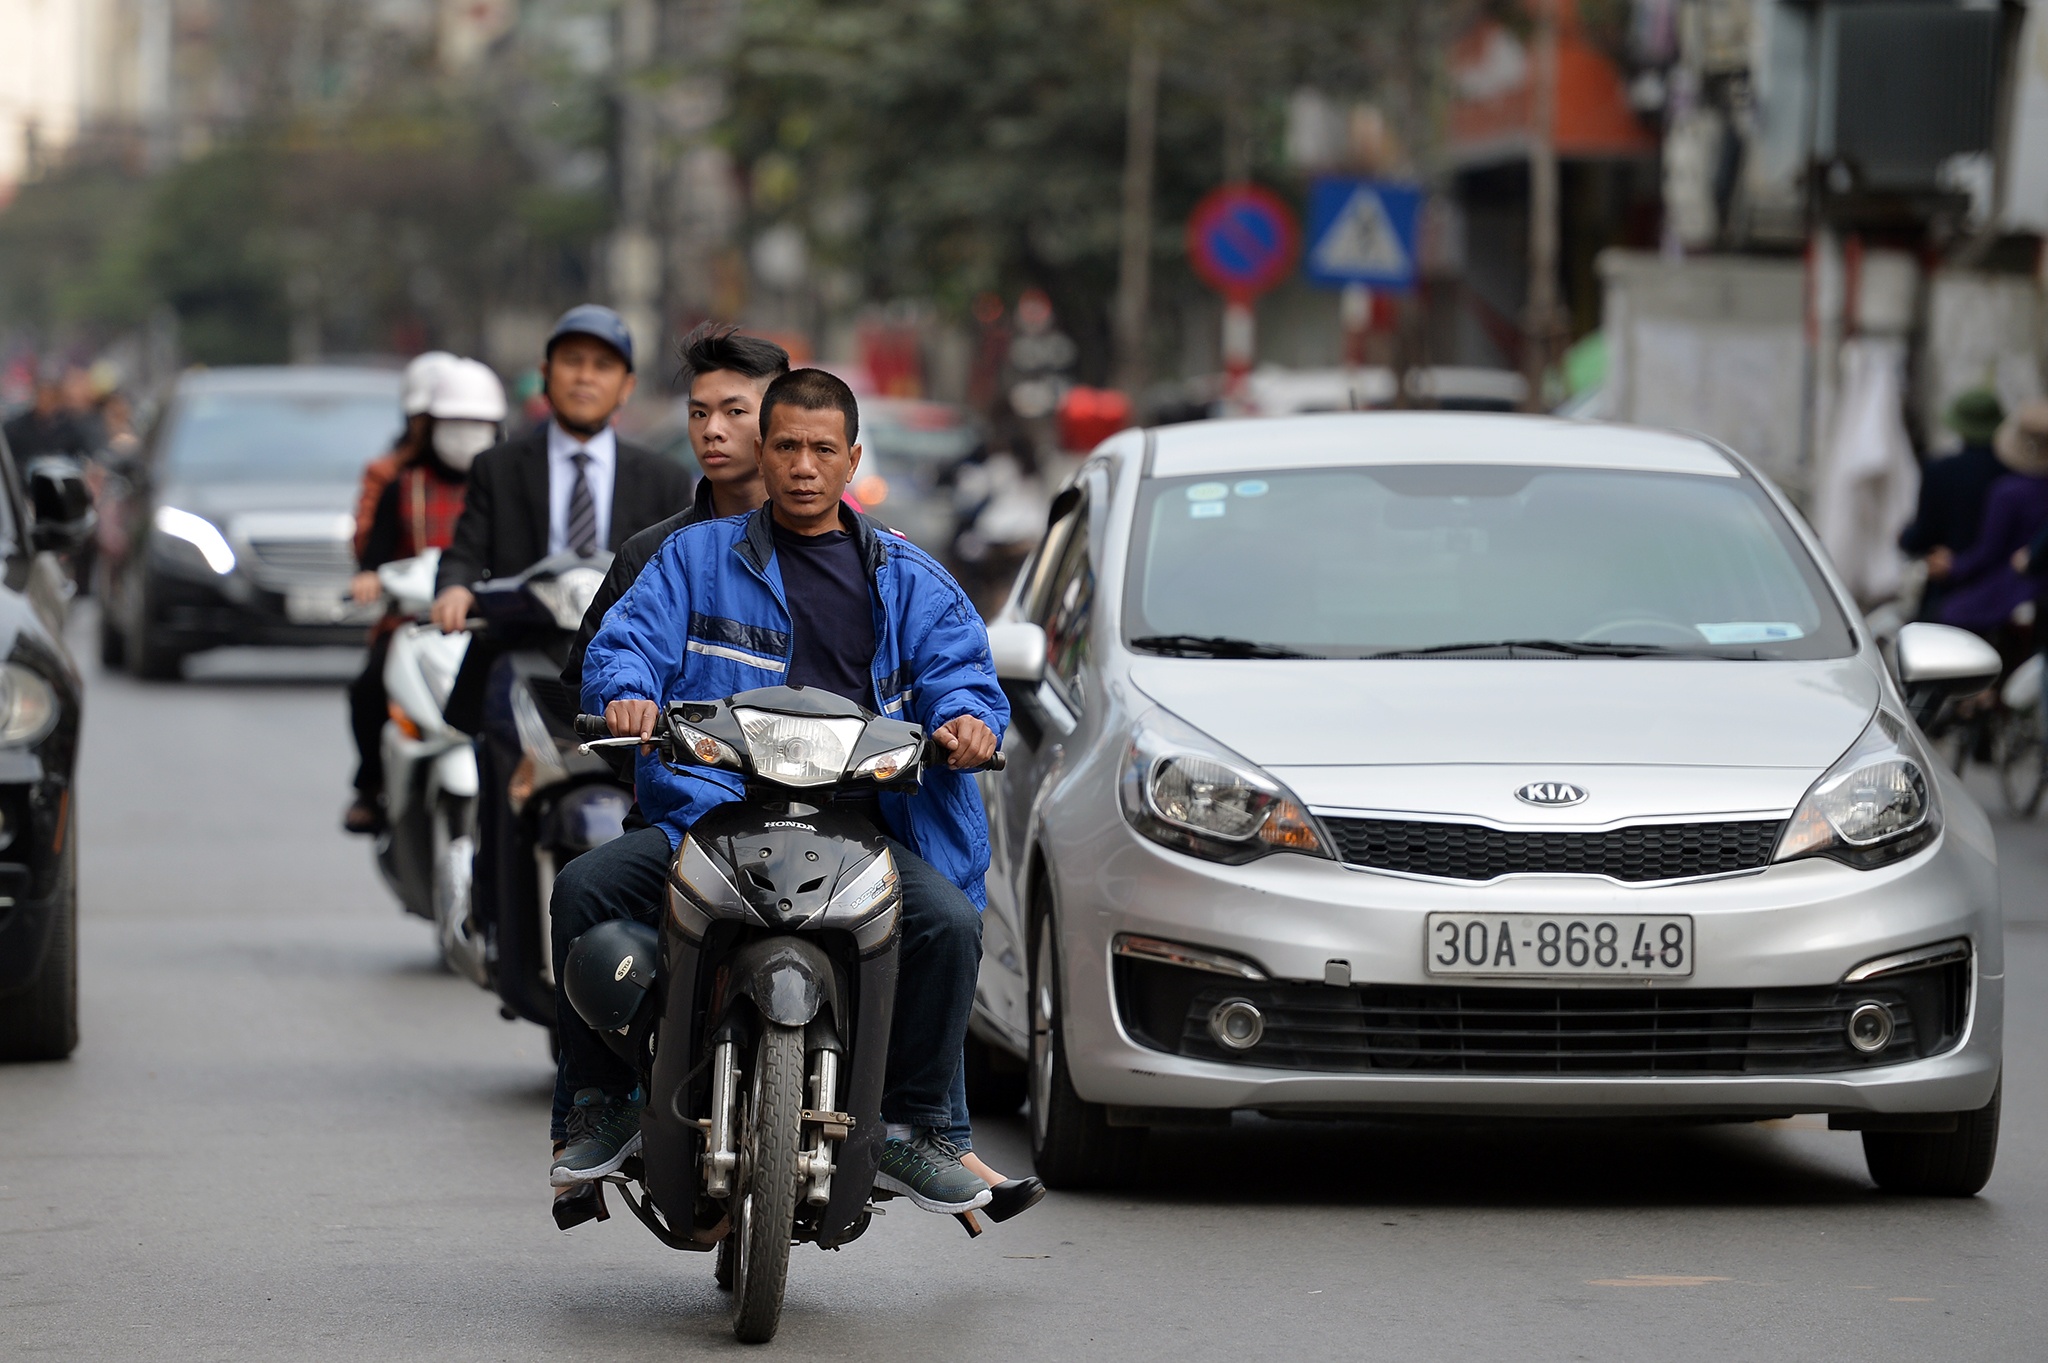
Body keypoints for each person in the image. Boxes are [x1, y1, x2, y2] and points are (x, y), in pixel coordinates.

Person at [555, 368, 1007, 1219]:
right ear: (763, 454)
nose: (803, 466)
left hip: (866, 830)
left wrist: (968, 723)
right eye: (788, 447)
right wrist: (627, 690)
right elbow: (628, 645)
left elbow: (963, 677)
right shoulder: (690, 559)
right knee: (583, 887)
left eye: (822, 450)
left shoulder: (910, 578)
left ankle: (917, 1128)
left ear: (852, 460)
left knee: (946, 921)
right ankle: (599, 1101)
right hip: (710, 815)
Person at [560, 323, 789, 691]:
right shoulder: (649, 553)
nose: (712, 429)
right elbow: (585, 681)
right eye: (699, 413)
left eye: (734, 412)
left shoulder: (840, 548)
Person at [430, 305, 690, 628]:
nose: (585, 377)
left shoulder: (664, 482)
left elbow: (679, 578)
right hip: (515, 645)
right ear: (545, 374)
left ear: (627, 387)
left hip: (624, 655)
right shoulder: (496, 468)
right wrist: (455, 589)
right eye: (572, 361)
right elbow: (465, 554)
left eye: (603, 365)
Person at [342, 359, 505, 834]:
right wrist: (369, 576)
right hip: (413, 622)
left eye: (477, 425)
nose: (465, 436)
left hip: (489, 621)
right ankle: (370, 785)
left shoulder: (505, 485)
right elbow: (371, 555)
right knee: (368, 688)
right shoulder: (402, 485)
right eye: (453, 425)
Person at [1941, 397, 2048, 674]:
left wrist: (1952, 566)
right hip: (2033, 589)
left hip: (2014, 586)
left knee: (1945, 615)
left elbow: (1987, 553)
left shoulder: (2008, 491)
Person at [1900, 388, 2006, 622]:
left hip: (1949, 590)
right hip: (2002, 595)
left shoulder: (1940, 471)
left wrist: (1904, 537)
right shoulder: (2010, 473)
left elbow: (1922, 535)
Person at [352, 352, 456, 576]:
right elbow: (367, 548)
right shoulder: (389, 475)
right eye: (426, 419)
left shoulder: (487, 477)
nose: (433, 429)